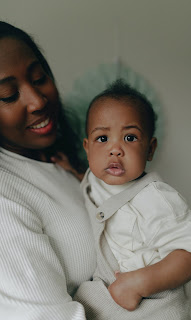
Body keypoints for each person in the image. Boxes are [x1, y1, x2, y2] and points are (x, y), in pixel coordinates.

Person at [57, 79, 191, 320]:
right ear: (88, 148)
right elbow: (89, 184)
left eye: (130, 137)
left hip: (152, 304)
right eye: (103, 139)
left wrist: (140, 283)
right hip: (108, 294)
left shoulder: (157, 198)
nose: (115, 149)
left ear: (150, 149)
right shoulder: (93, 179)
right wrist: (69, 170)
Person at [0, 21, 96, 320]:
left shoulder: (63, 159)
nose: (38, 101)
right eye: (8, 95)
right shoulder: (5, 196)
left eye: (40, 78)